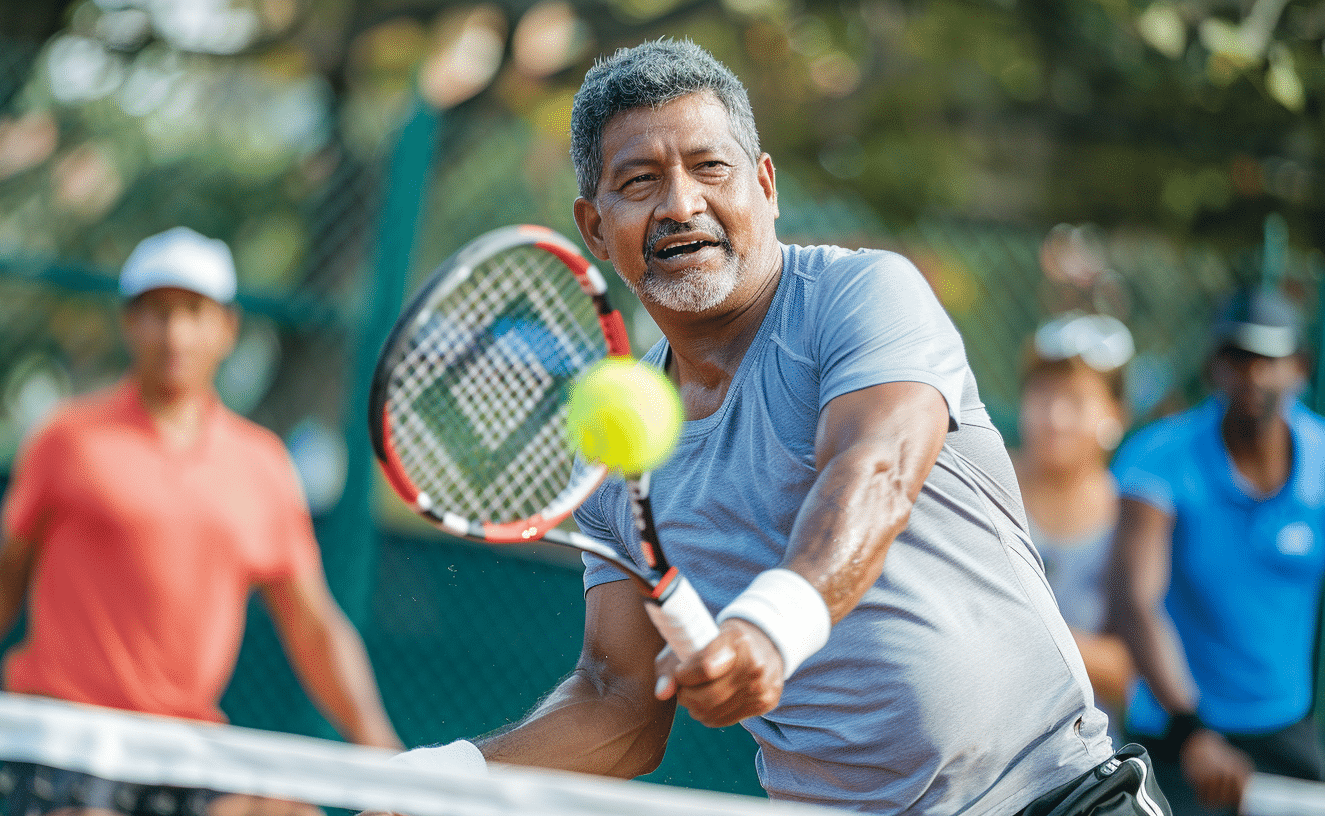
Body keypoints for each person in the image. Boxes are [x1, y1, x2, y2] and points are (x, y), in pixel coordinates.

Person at [384, 40, 1169, 816]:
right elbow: (616, 706)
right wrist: (447, 780)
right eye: (640, 181)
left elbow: (872, 473)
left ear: (765, 186)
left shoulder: (862, 295)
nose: (681, 203)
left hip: (1058, 795)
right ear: (595, 228)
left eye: (709, 166)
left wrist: (770, 629)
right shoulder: (617, 454)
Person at [0, 227, 402, 815]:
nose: (175, 332)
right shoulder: (67, 438)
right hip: (63, 740)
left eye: (194, 312)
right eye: (156, 312)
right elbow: (7, 569)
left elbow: (312, 625)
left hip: (186, 748)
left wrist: (385, 755)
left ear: (227, 329)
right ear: (129, 323)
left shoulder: (263, 465)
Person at [1109, 286, 1325, 816]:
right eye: (1236, 358)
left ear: (1299, 367)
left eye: (1268, 360)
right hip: (1178, 729)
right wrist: (1192, 731)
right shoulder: (1159, 459)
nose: (1252, 377)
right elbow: (1136, 600)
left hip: (1284, 727)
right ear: (1213, 368)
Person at [1014, 313, 1135, 724]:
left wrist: (1018, 632)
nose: (1055, 417)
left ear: (1115, 416)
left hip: (1085, 767)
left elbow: (1128, 674)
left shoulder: (1132, 520)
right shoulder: (983, 492)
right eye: (1043, 395)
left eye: (1077, 401)